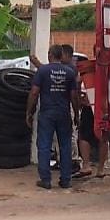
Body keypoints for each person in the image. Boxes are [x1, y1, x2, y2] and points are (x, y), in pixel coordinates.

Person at [26, 45, 80, 189]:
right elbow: (74, 96)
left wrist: (29, 113)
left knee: (44, 145)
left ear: (50, 55)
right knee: (65, 146)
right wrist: (77, 114)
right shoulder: (69, 72)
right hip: (64, 113)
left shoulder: (42, 71)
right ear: (61, 55)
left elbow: (34, 93)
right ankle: (66, 179)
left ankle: (45, 179)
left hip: (47, 113)